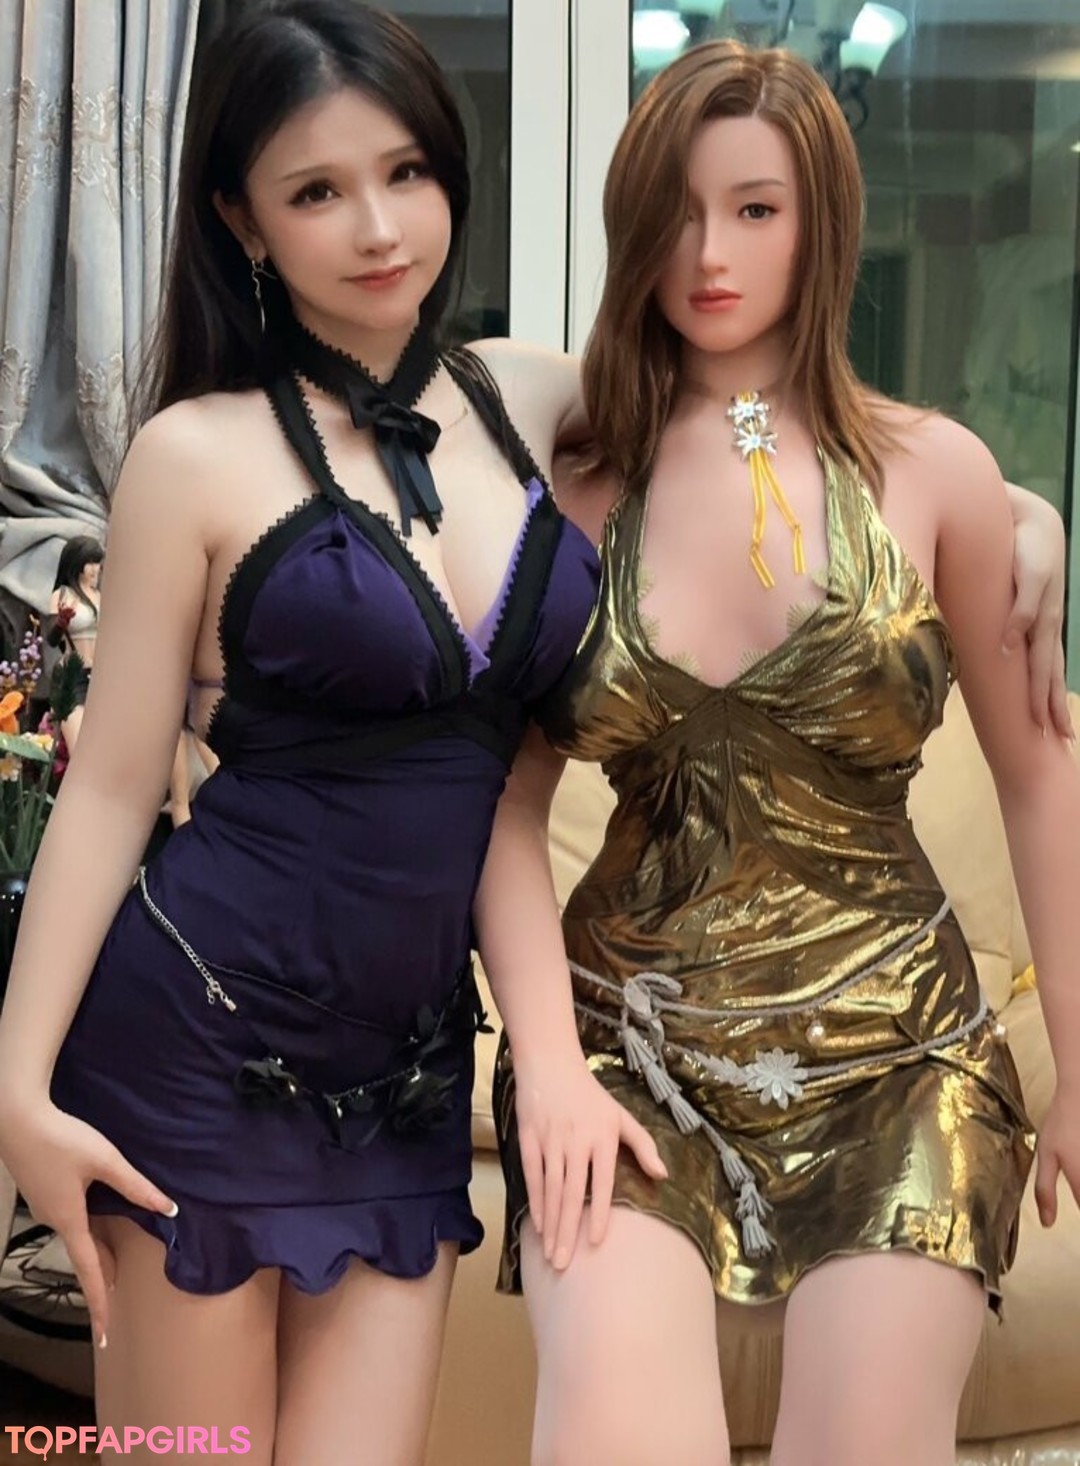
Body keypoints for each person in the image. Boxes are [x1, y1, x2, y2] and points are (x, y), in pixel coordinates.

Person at [0, 4, 663, 1462]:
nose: (378, 226)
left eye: (406, 171)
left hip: (407, 1078)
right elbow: (112, 791)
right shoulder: (193, 454)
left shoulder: (532, 399)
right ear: (241, 216)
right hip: (192, 1055)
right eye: (316, 189)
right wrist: (17, 1085)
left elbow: (763, 414)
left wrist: (1013, 514)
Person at [488, 41, 1080, 1466]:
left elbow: (1039, 775)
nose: (709, 254)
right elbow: (501, 808)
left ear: (824, 222)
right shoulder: (566, 478)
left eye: (755, 209)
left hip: (899, 1052)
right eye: (677, 212)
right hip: (629, 1043)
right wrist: (547, 1064)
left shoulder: (938, 475)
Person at [46, 534, 104, 752]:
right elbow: (52, 639)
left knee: (101, 747)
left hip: (99, 676)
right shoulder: (63, 594)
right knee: (79, 748)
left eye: (97, 562)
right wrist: (62, 621)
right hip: (72, 675)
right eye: (90, 562)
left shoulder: (100, 596)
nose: (95, 568)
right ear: (76, 563)